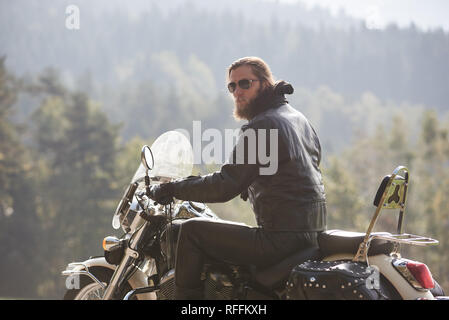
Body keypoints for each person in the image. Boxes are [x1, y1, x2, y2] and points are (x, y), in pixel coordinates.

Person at [148, 56, 327, 299]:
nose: (237, 92)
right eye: (232, 86)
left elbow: (225, 186)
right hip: (311, 234)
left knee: (191, 232)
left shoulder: (263, 125)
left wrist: (173, 189)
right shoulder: (298, 119)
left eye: (245, 84)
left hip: (278, 239)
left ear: (264, 83)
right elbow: (291, 173)